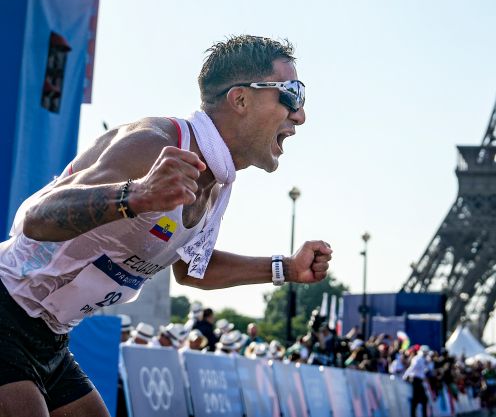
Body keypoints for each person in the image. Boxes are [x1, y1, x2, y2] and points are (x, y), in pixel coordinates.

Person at [0, 35, 333, 417]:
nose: (300, 115)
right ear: (240, 99)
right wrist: (134, 196)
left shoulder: (218, 180)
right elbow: (35, 219)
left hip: (50, 337)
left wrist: (284, 268)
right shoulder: (153, 144)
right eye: (291, 94)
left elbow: (193, 270)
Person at [403, 345, 430, 417]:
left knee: (418, 400)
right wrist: (405, 376)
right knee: (421, 400)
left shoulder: (422, 359)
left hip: (419, 380)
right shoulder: (417, 359)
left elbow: (423, 371)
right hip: (415, 380)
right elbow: (412, 368)